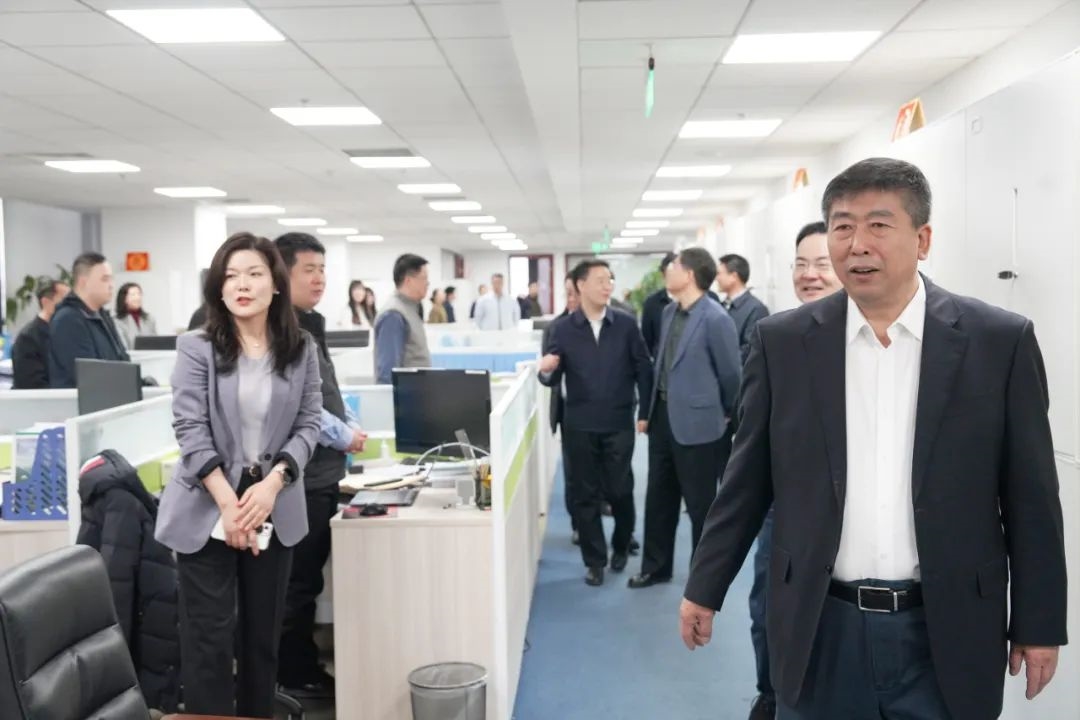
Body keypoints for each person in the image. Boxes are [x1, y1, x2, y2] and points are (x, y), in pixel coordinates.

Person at [680, 158, 1067, 720]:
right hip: (821, 624)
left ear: (923, 239)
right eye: (842, 226)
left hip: (947, 626)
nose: (857, 244)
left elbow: (1032, 497)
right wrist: (705, 584)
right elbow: (746, 481)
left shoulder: (998, 342)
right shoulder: (783, 343)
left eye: (879, 225)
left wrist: (1038, 622)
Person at [154, 232, 322, 718]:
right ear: (218, 288)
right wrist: (229, 504)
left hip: (272, 501)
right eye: (230, 276)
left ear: (275, 284)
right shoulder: (197, 347)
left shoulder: (300, 348)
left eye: (253, 274)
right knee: (207, 641)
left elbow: (309, 423)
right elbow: (190, 428)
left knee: (261, 641)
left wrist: (274, 483)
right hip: (208, 502)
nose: (241, 285)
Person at [745, 220, 841, 720]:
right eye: (801, 264)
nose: (810, 274)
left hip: (847, 515)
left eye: (822, 263)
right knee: (767, 609)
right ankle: (772, 694)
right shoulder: (777, 339)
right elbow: (750, 448)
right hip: (783, 510)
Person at [273, 233, 367, 698]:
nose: (319, 278)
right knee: (297, 583)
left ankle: (302, 667)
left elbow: (325, 392)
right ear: (282, 274)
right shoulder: (279, 331)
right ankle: (293, 676)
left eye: (323, 269)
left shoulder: (310, 324)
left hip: (327, 473)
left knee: (307, 579)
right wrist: (344, 435)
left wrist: (350, 425)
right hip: (302, 479)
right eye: (308, 269)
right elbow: (298, 407)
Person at [628, 248, 741, 590]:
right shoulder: (668, 312)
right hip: (662, 419)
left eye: (674, 266)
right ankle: (656, 567)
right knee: (658, 499)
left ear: (689, 274)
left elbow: (731, 375)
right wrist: (648, 412)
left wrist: (725, 415)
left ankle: (702, 580)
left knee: (701, 507)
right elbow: (661, 365)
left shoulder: (716, 318)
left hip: (701, 426)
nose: (668, 270)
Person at [538, 259, 652, 586]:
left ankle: (621, 543)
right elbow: (552, 377)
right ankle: (595, 560)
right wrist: (545, 371)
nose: (607, 286)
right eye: (600, 280)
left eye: (610, 280)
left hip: (618, 421)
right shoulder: (562, 329)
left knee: (620, 490)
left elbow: (643, 369)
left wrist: (644, 413)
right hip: (579, 424)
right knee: (584, 495)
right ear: (581, 286)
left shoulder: (626, 325)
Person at [48, 252, 129, 388]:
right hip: (86, 399)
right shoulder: (67, 320)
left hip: (112, 395)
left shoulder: (103, 316)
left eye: (111, 279)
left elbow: (122, 361)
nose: (111, 285)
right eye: (105, 279)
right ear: (83, 282)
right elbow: (89, 376)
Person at [542, 272, 581, 544]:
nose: (571, 299)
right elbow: (548, 377)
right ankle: (579, 524)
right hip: (569, 410)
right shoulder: (555, 328)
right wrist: (546, 369)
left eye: (575, 293)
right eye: (567, 293)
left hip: (604, 411)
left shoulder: (610, 323)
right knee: (574, 472)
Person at [373, 254, 432, 384]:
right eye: (424, 278)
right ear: (408, 281)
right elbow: (388, 373)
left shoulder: (411, 308)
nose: (427, 283)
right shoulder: (393, 315)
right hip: (407, 394)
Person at [11, 278, 69, 389]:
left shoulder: (65, 332)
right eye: (65, 300)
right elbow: (32, 385)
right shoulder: (27, 339)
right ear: (46, 302)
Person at [716, 253, 770, 363]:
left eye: (719, 274)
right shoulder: (721, 306)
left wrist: (720, 362)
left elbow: (751, 350)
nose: (717, 278)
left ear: (733, 276)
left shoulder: (756, 309)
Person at [640, 253, 677, 357]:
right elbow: (647, 340)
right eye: (671, 273)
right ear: (663, 274)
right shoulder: (652, 303)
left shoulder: (696, 300)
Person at [115, 282, 159, 350]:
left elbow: (156, 343)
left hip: (151, 356)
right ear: (124, 299)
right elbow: (123, 348)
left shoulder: (149, 318)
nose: (138, 297)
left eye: (139, 294)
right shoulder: (117, 321)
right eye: (133, 295)